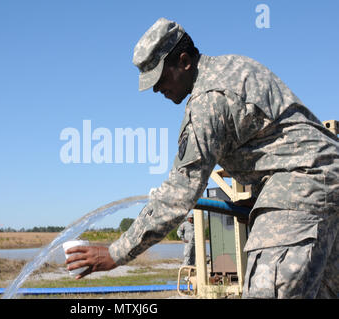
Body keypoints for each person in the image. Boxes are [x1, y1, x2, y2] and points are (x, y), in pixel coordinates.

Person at [65, 17, 338, 299]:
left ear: (184, 61)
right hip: (327, 177)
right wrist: (259, 201)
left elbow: (179, 194)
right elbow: (277, 142)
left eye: (160, 77)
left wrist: (115, 252)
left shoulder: (206, 103)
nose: (157, 88)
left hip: (300, 188)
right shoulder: (235, 66)